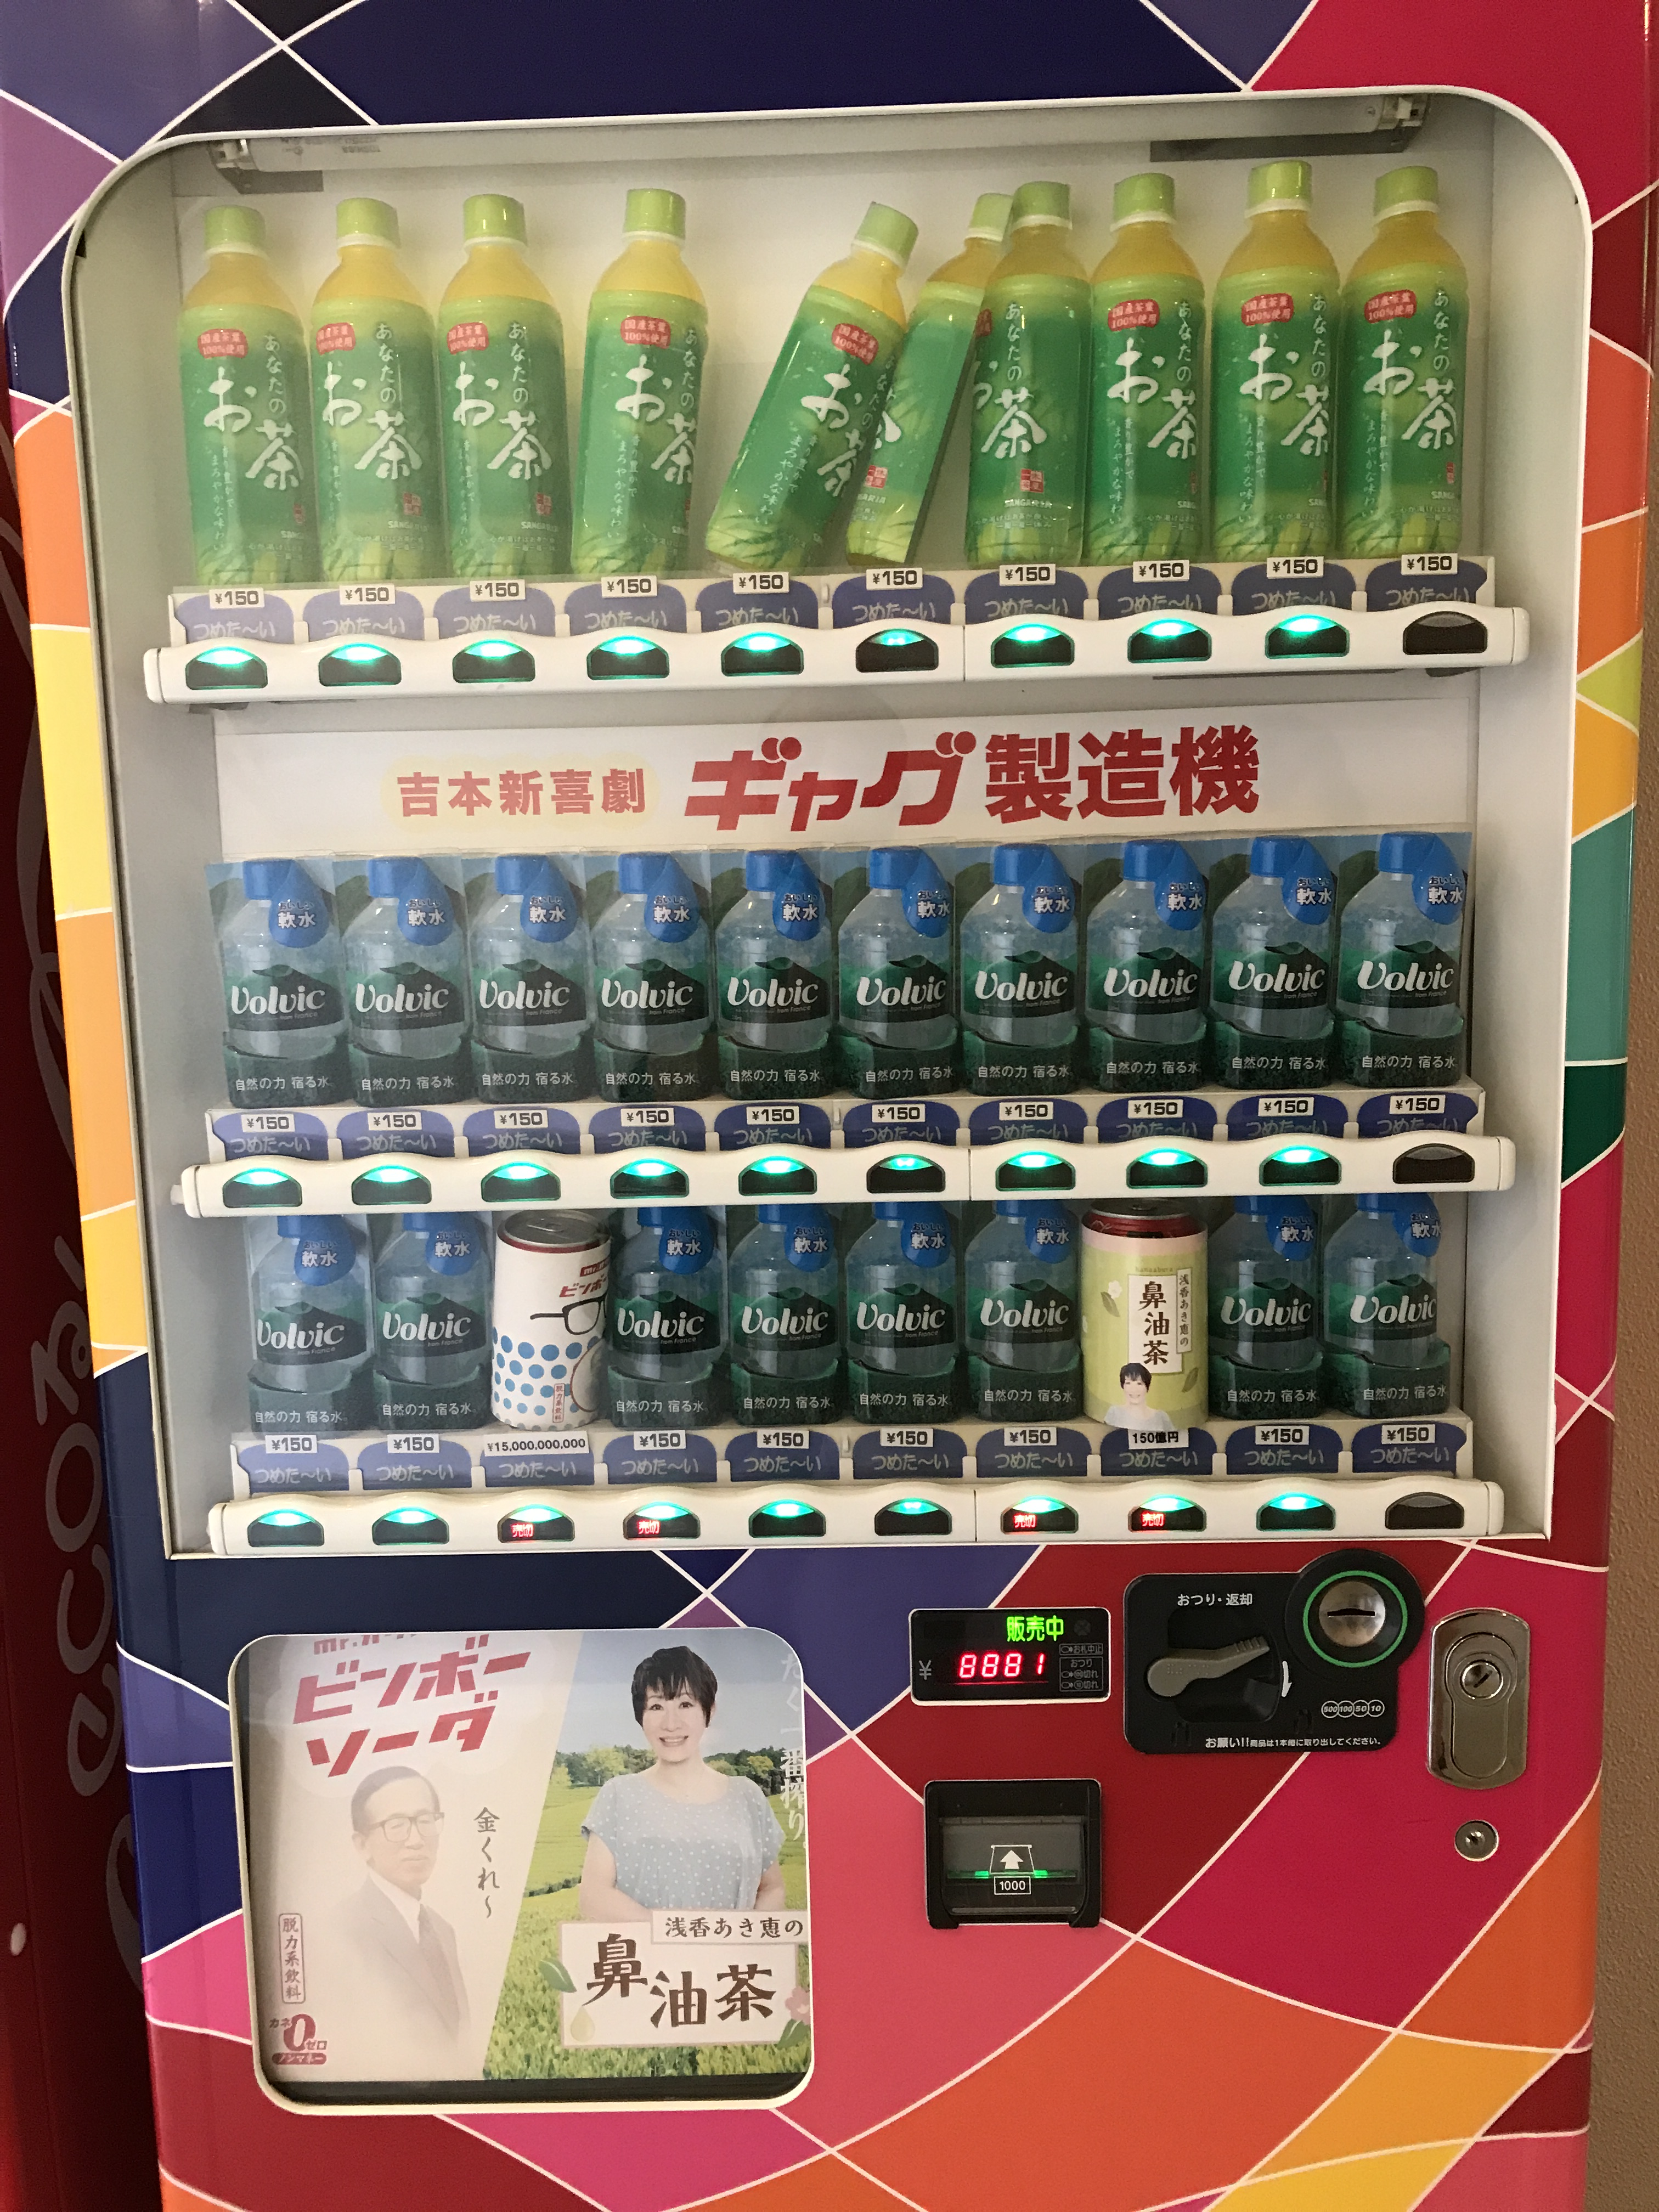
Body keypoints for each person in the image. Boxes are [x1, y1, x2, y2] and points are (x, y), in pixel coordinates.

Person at [578, 1646, 786, 1918]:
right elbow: (595, 1895)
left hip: (733, 1948)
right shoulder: (619, 1794)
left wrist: (743, 1937)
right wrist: (675, 1937)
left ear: (709, 1711)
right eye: (656, 1706)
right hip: (648, 1947)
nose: (671, 1724)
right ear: (641, 1716)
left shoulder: (747, 1796)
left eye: (685, 1705)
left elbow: (771, 1888)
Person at [330, 1764, 469, 2071]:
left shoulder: (442, 1929)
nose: (416, 1840)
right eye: (396, 1825)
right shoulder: (338, 1930)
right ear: (362, 1845)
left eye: (425, 1821)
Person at [1103, 1359, 1177, 1431]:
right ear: (1123, 1386)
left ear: (1147, 1387)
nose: (1134, 1389)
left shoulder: (1161, 1417)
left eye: (1139, 1384)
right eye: (1128, 1383)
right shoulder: (1115, 1413)